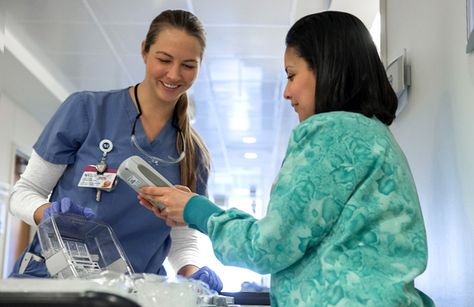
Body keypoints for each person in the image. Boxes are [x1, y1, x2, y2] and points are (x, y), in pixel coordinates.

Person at [137, 11, 434, 306]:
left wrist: (197, 210)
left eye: (292, 75)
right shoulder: (369, 135)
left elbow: (268, 246)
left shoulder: (332, 133)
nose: (287, 92)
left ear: (327, 68)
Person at [9, 9, 222, 292]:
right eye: (164, 59)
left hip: (133, 291)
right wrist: (47, 214)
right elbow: (22, 193)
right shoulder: (86, 110)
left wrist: (191, 272)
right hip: (53, 282)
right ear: (144, 51)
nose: (174, 74)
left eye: (188, 65)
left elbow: (181, 236)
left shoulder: (192, 154)